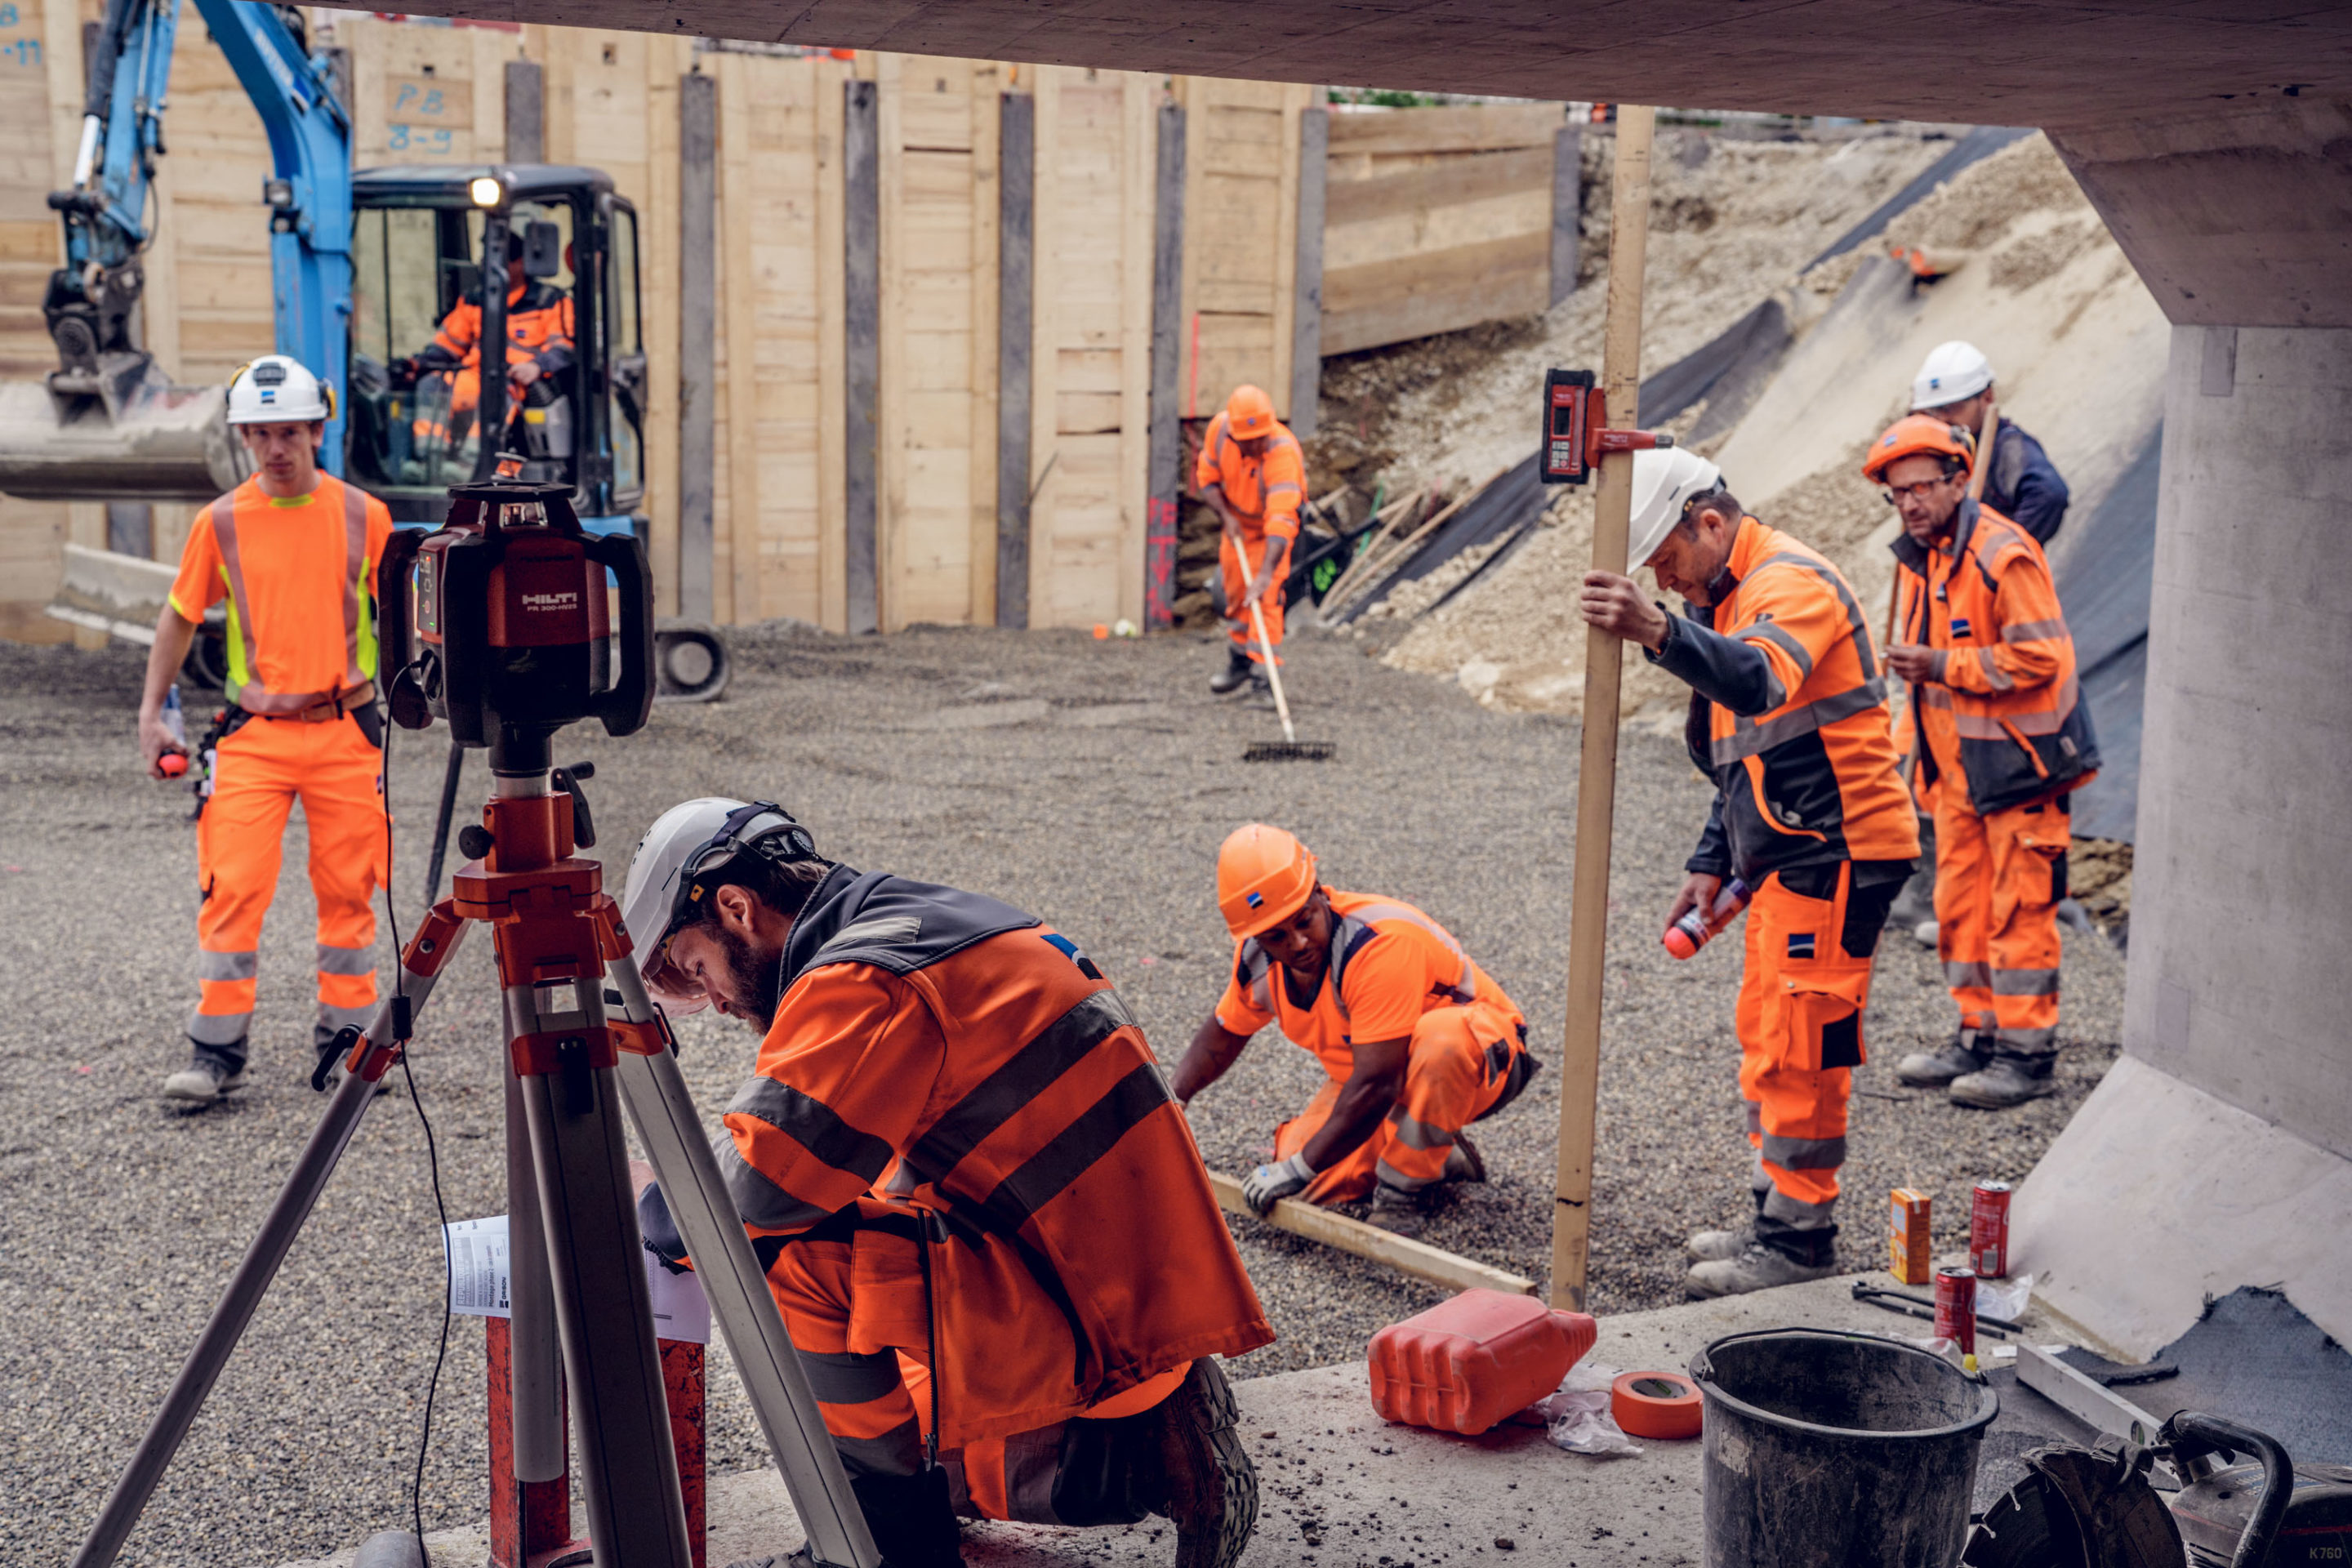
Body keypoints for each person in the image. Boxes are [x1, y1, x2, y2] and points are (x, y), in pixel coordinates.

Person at [621, 800, 1271, 1568]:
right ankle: (1157, 1436)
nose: (718, 1003)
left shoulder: (867, 978)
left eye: (699, 970)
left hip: (1086, 1313)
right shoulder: (932, 922)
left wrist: (648, 1207)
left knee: (780, 1258)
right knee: (928, 1443)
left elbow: (757, 1196)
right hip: (1128, 1292)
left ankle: (888, 1549)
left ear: (736, 908)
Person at [1577, 449, 1919, 1297]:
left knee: (1805, 1042)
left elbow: (1763, 684)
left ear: (1711, 523)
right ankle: (1775, 1215)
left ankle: (1800, 1242)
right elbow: (1746, 760)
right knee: (1768, 1032)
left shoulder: (1786, 585)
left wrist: (1658, 629)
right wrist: (1711, 858)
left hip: (1838, 852)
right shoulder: (1732, 596)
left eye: (1667, 561)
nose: (1669, 582)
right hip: (1790, 853)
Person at [136, 355, 396, 1107]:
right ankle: (215, 1053)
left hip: (346, 731)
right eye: (260, 434)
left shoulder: (364, 516)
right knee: (233, 888)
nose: (276, 448)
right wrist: (152, 713)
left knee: (349, 892)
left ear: (318, 427)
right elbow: (180, 615)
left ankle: (348, 1046)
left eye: (289, 431)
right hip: (254, 736)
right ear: (244, 437)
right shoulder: (219, 522)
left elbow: (411, 618)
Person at [1867, 415, 2099, 1109]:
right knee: (1961, 909)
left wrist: (1942, 664)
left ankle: (2027, 1057)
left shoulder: (2004, 553)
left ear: (1960, 481)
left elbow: (2041, 659)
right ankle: (1978, 1035)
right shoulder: (1923, 557)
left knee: (2019, 913)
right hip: (1960, 780)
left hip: (2022, 773)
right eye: (1897, 493)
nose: (1910, 503)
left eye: (1921, 488)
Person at [1171, 825, 1539, 1238]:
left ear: (1319, 893)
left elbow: (1378, 1084)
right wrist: (1173, 1099)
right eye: (1276, 936)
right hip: (1378, 1071)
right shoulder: (1258, 959)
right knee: (1305, 1185)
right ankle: (1441, 1152)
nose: (1297, 943)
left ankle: (1405, 1192)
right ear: (1256, 936)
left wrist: (1299, 1167)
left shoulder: (1378, 945)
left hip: (1482, 1058)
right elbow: (1224, 1034)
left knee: (1441, 1042)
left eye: (1304, 921)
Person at [394, 229, 574, 452]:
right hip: (473, 375)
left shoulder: (549, 301)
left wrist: (537, 367)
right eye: (486, 258)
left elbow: (563, 348)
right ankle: (428, 459)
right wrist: (417, 364)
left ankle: (471, 461)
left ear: (519, 263)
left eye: (498, 260)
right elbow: (448, 345)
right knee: (431, 385)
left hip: (516, 382)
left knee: (493, 394)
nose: (487, 266)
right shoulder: (474, 300)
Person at [1196, 385, 1306, 704]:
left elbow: (1281, 519)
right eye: (1248, 442)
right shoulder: (1219, 432)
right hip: (1238, 524)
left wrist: (1265, 573)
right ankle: (1240, 662)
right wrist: (1226, 517)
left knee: (1266, 597)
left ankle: (1266, 679)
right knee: (1235, 593)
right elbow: (1207, 479)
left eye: (1260, 439)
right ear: (1233, 437)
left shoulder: (1283, 454)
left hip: (1273, 532)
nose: (1256, 446)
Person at [1908, 341, 2070, 545]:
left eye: (1951, 408)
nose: (1942, 420)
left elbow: (2049, 495)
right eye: (1933, 412)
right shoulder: (1949, 453)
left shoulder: (2007, 447)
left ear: (1987, 397)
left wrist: (2000, 551)